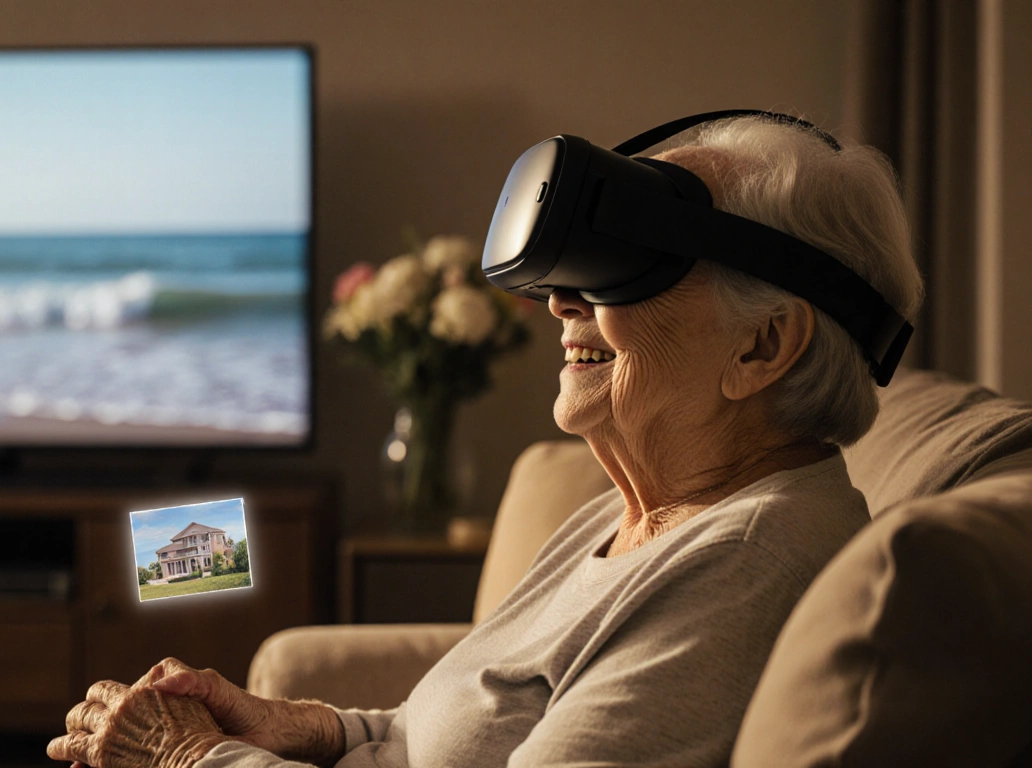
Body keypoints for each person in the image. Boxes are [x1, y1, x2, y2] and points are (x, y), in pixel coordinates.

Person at [47, 114, 925, 768]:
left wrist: (189, 757)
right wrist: (307, 728)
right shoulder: (628, 517)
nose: (561, 302)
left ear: (763, 345)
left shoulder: (743, 563)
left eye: (630, 266)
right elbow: (458, 734)